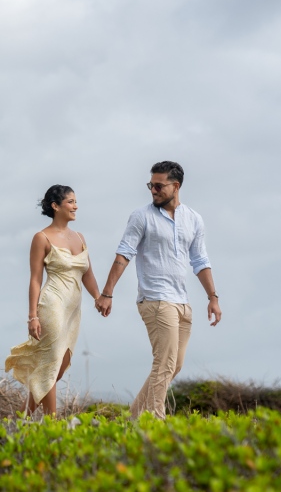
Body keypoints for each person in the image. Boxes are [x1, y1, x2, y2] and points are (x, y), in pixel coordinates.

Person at [95, 161, 222, 420]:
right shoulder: (141, 216)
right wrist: (107, 293)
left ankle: (133, 417)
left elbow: (200, 261)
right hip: (155, 299)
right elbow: (124, 253)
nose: (153, 190)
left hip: (182, 302)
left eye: (158, 186)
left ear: (176, 186)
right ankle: (155, 423)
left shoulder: (193, 219)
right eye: (151, 185)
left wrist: (213, 298)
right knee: (163, 364)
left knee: (174, 365)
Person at [5, 185, 104, 416]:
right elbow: (35, 279)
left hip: (73, 311)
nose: (75, 206)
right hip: (53, 305)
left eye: (75, 201)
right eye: (70, 202)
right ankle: (53, 422)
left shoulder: (80, 237)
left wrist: (98, 297)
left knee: (57, 370)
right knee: (49, 366)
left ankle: (19, 420)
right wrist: (32, 316)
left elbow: (87, 273)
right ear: (55, 206)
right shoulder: (41, 238)